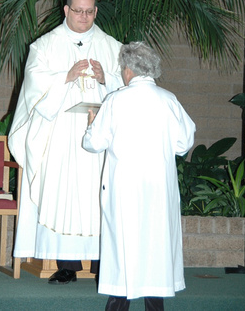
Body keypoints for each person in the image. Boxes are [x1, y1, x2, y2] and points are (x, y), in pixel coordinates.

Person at [8, 0, 123, 284]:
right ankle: (66, 265)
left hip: (100, 134)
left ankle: (102, 266)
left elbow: (128, 87)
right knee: (64, 195)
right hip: (60, 135)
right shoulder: (44, 46)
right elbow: (35, 89)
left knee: (100, 197)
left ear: (96, 12)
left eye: (89, 11)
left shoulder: (112, 46)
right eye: (78, 11)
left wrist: (105, 78)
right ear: (66, 10)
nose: (84, 17)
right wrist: (66, 77)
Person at [82, 41, 196, 310]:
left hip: (125, 187)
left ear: (129, 70)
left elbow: (94, 143)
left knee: (124, 244)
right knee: (154, 243)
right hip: (158, 187)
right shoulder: (169, 100)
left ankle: (119, 302)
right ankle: (154, 302)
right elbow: (184, 143)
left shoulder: (116, 100)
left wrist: (90, 126)